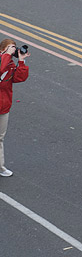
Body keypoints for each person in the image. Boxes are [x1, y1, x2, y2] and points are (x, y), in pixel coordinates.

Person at [0, 39, 29, 177]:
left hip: (3, 106)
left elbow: (20, 78)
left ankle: (0, 167)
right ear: (2, 50)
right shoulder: (3, 60)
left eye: (14, 48)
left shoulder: (10, 64)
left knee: (0, 138)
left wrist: (21, 61)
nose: (12, 50)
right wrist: (6, 55)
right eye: (9, 48)